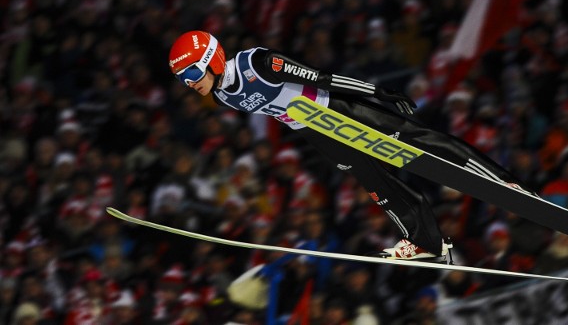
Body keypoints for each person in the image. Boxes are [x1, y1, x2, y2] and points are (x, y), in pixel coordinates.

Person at [168, 31, 529, 260]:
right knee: (375, 183)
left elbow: (321, 77)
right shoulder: (221, 98)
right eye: (183, 79)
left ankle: (502, 179)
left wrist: (376, 92)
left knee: (420, 140)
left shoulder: (257, 63)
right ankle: (426, 241)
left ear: (212, 60)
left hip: (338, 109)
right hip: (317, 132)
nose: (190, 83)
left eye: (193, 74)